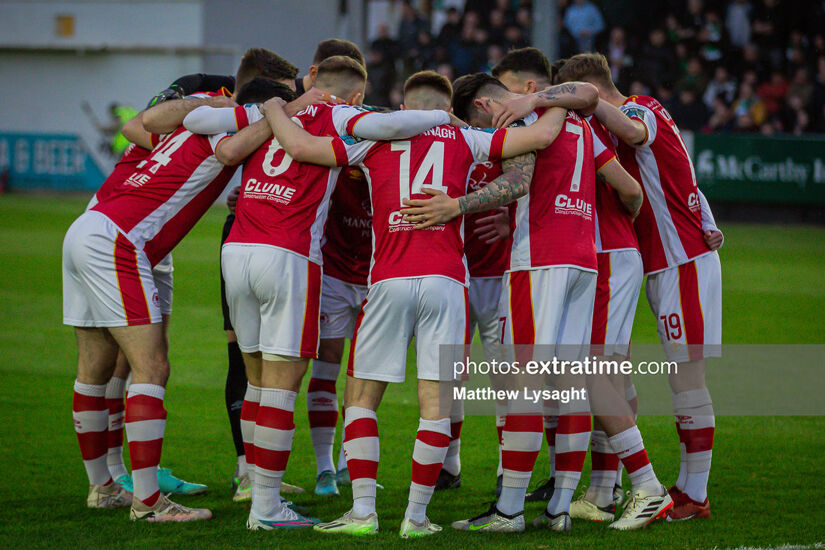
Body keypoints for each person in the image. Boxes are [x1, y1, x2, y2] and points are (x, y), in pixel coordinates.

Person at [265, 70, 571, 538]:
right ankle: (417, 518)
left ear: (403, 106)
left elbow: (301, 149)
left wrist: (269, 108)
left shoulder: (372, 139)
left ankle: (363, 512)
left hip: (388, 279)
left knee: (362, 400)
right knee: (435, 405)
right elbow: (542, 139)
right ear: (447, 106)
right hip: (448, 281)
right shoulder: (469, 137)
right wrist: (560, 97)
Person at [404, 73, 673, 532]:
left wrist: (458, 206)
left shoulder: (521, 119)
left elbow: (518, 182)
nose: (490, 137)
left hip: (540, 261)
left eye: (481, 125)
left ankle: (509, 510)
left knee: (526, 384)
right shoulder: (579, 122)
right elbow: (630, 190)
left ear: (487, 107)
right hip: (585, 259)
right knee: (572, 384)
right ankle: (559, 509)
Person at [198, 57, 457, 531]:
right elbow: (391, 123)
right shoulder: (342, 116)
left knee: (256, 381)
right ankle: (268, 509)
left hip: (236, 249)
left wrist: (277, 106)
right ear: (357, 97)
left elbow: (206, 129)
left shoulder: (269, 110)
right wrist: (444, 115)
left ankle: (253, 486)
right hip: (289, 255)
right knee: (280, 386)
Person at [63, 50, 297, 522]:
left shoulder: (191, 116)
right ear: (267, 95)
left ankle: (104, 487)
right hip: (120, 239)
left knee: (96, 367)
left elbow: (143, 125)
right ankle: (148, 503)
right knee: (152, 368)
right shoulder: (236, 117)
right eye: (285, 98)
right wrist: (279, 114)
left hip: (89, 225)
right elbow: (231, 150)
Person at [554, 52, 723, 521]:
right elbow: (678, 172)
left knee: (686, 377)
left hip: (681, 259)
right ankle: (610, 488)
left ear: (585, 90)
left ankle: (693, 493)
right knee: (621, 369)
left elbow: (634, 134)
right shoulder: (622, 120)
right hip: (660, 260)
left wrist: (583, 103)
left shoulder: (637, 109)